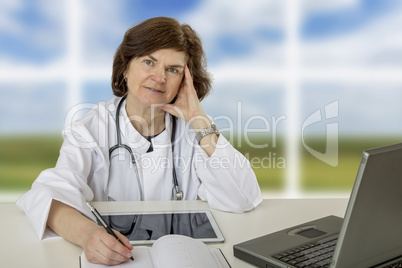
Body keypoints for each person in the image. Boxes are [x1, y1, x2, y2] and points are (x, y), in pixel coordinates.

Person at [17, 16, 262, 265]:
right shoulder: (92, 128)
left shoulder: (196, 129)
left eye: (173, 69)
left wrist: (198, 118)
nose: (159, 77)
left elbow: (242, 197)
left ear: (185, 81)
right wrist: (88, 234)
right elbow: (49, 194)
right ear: (125, 68)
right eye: (148, 62)